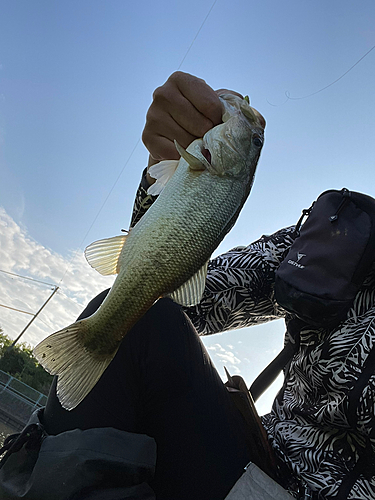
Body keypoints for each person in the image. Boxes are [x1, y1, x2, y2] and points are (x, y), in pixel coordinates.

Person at [1, 71, 374, 500]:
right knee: (138, 324)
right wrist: (164, 170)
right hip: (254, 455)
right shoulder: (343, 236)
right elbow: (186, 296)